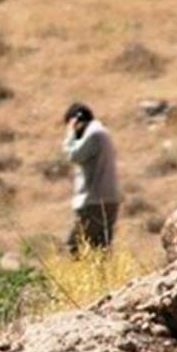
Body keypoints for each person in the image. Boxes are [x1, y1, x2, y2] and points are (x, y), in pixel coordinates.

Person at [61, 102, 121, 256]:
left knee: (75, 247)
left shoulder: (94, 134)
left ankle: (79, 279)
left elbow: (73, 155)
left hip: (94, 201)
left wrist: (70, 133)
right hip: (108, 200)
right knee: (100, 248)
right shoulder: (102, 133)